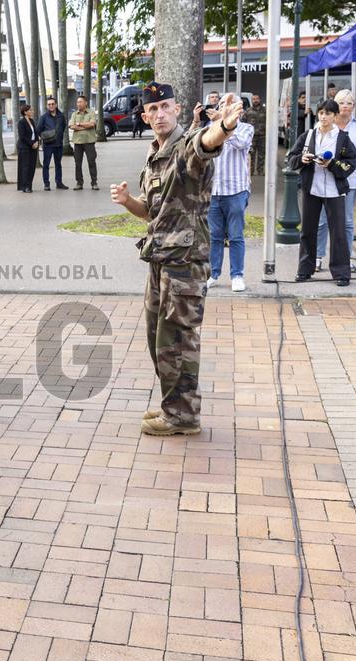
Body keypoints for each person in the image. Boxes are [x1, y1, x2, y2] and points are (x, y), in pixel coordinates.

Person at [109, 82, 241, 437]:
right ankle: (175, 404)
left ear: (178, 109)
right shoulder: (156, 153)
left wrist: (225, 125)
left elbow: (206, 143)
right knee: (159, 339)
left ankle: (183, 416)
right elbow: (151, 210)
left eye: (165, 106)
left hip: (184, 262)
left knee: (178, 339)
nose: (160, 114)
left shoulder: (186, 146)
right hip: (159, 258)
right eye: (153, 109)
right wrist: (127, 201)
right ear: (144, 117)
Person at [287, 99, 356, 286]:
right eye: (321, 113)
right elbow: (291, 158)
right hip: (312, 189)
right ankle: (305, 269)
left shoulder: (343, 138)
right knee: (308, 230)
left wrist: (331, 164)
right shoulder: (308, 135)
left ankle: (341, 273)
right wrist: (302, 159)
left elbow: (351, 161)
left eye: (328, 113)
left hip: (335, 191)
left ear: (335, 116)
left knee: (338, 232)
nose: (324, 117)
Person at [197, 94, 253, 292]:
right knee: (214, 236)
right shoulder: (210, 127)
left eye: (229, 104)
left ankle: (237, 275)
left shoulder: (246, 128)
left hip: (236, 190)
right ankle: (213, 274)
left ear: (239, 109)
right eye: (221, 104)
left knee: (236, 235)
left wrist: (225, 124)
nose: (224, 107)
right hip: (214, 190)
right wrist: (203, 121)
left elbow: (240, 143)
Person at [315, 89, 356, 274]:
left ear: (354, 106)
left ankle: (346, 258)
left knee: (346, 221)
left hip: (349, 182)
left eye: (349, 103)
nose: (345, 106)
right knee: (322, 220)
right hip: (324, 180)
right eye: (341, 103)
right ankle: (317, 256)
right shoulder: (322, 124)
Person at [35, 97, 67, 191]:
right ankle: (46, 184)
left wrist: (58, 136)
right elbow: (38, 130)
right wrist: (46, 136)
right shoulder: (43, 117)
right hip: (48, 145)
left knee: (58, 164)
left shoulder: (61, 116)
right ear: (47, 106)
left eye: (53, 104)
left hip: (59, 145)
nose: (51, 106)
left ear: (56, 105)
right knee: (46, 165)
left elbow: (63, 127)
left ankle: (59, 183)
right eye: (49, 104)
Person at [69, 95, 98, 190]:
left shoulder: (91, 112)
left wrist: (79, 124)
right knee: (78, 163)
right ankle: (79, 183)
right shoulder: (74, 114)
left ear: (86, 103)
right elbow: (71, 126)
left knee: (91, 162)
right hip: (77, 142)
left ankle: (94, 182)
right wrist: (85, 127)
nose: (78, 104)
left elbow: (92, 124)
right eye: (77, 102)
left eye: (80, 102)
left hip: (89, 141)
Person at [16, 104, 38, 193]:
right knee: (25, 167)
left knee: (32, 167)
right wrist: (32, 143)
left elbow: (35, 133)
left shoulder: (32, 121)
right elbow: (22, 136)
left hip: (33, 148)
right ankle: (24, 186)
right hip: (24, 147)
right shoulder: (21, 122)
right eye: (30, 110)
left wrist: (37, 142)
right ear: (25, 112)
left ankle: (29, 185)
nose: (32, 111)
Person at [245, 93, 267, 176]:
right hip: (252, 137)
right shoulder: (248, 111)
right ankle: (251, 171)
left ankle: (260, 171)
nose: (255, 100)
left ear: (260, 100)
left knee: (262, 154)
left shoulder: (265, 111)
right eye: (253, 99)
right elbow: (243, 122)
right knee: (251, 154)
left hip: (262, 136)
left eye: (257, 99)